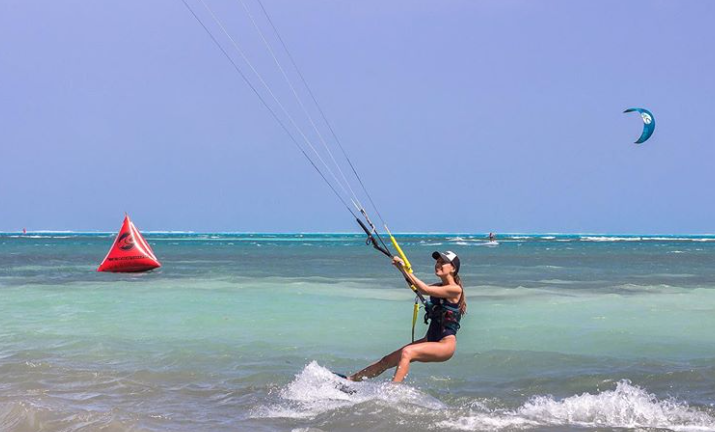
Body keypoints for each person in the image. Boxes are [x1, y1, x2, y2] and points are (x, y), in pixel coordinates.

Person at [346, 250, 465, 383]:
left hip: (444, 345)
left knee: (407, 352)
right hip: (429, 339)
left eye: (443, 262)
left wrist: (404, 269)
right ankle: (351, 380)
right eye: (437, 261)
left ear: (453, 268)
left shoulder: (455, 290)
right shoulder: (439, 286)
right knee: (387, 360)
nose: (438, 264)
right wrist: (401, 269)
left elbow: (425, 289)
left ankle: (393, 392)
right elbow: (417, 287)